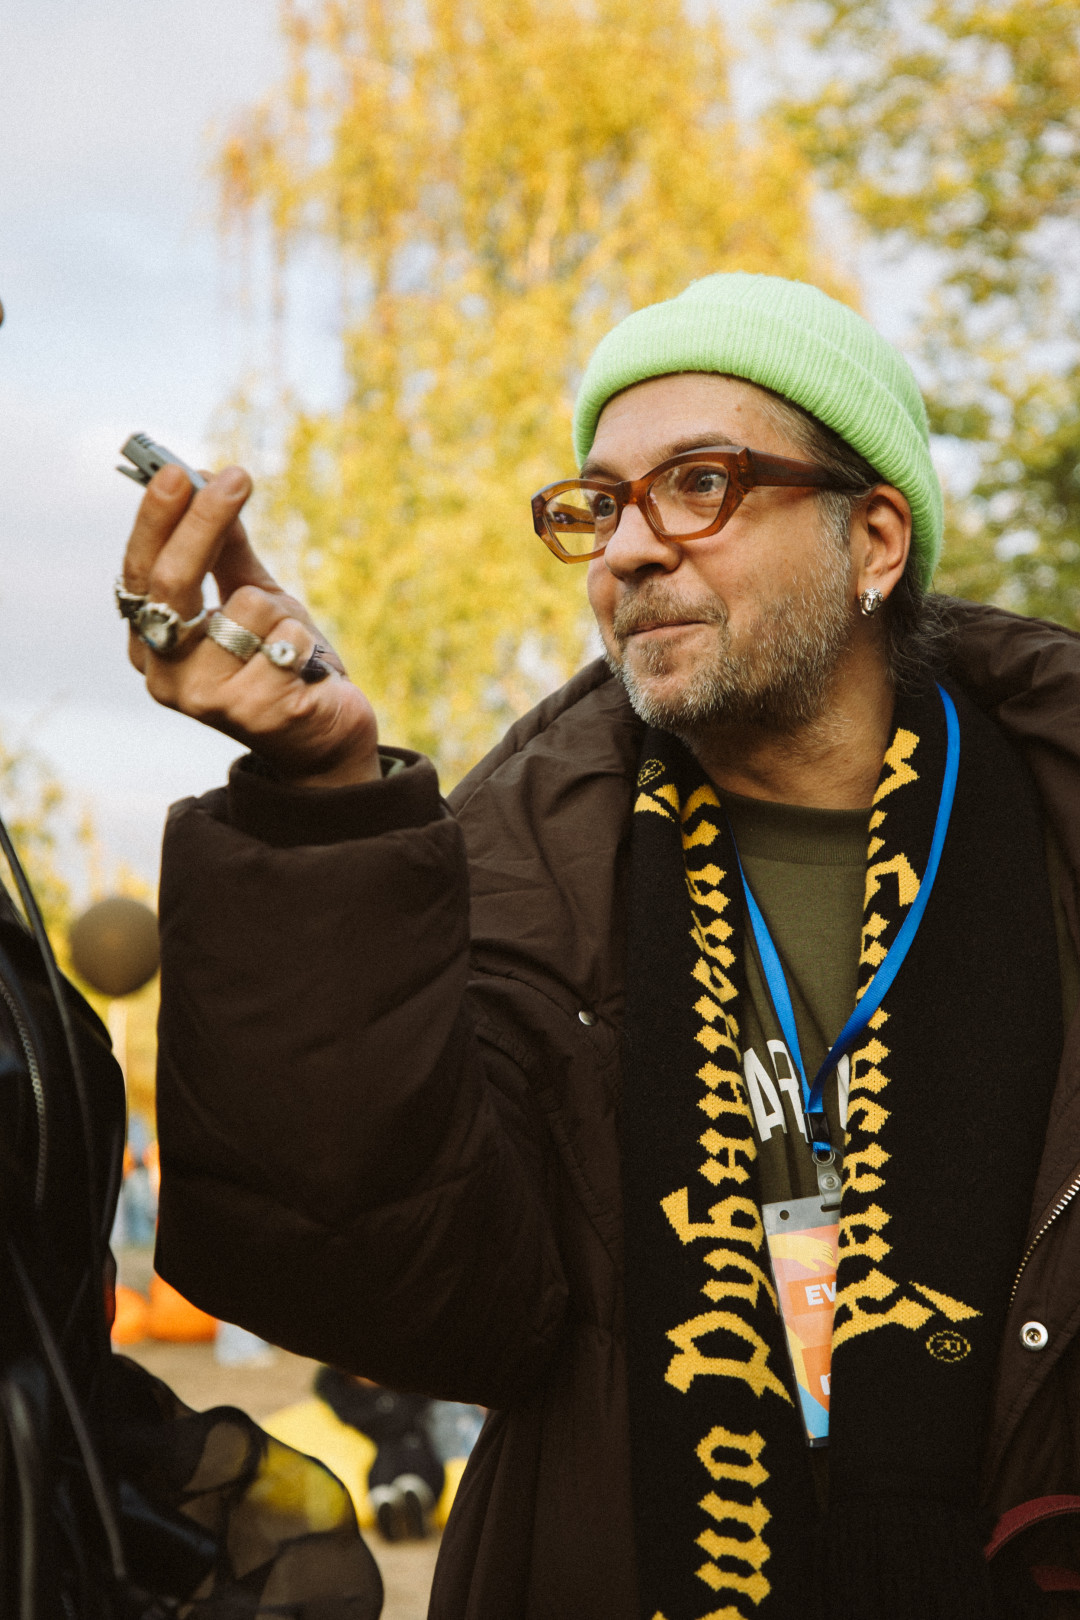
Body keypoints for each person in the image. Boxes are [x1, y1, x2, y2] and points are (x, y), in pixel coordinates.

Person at [121, 272, 1080, 1618]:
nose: (628, 549)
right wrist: (322, 801)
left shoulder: (1054, 831)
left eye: (699, 485)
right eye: (600, 505)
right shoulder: (531, 877)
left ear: (873, 539)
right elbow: (375, 1278)